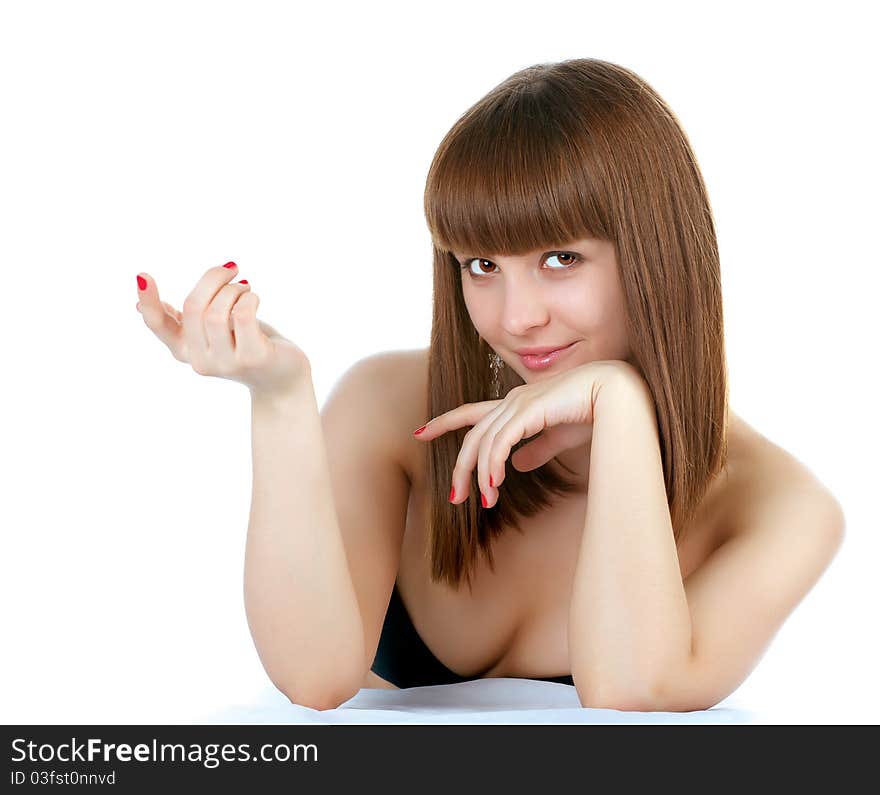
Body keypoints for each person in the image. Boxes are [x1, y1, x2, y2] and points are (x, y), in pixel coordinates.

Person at [134, 58, 845, 712]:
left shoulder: (782, 509)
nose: (517, 318)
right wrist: (279, 399)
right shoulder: (389, 406)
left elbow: (631, 703)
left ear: (658, 255)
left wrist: (622, 410)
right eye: (482, 266)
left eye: (561, 257)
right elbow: (312, 678)